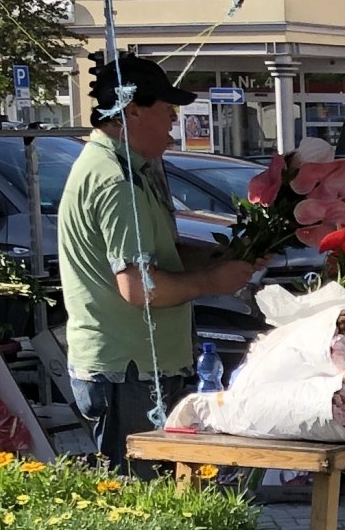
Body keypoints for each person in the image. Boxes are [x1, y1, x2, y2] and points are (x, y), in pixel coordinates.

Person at [58, 54, 261, 473]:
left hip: (143, 366)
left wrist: (228, 256)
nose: (173, 117)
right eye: (165, 108)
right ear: (131, 110)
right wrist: (211, 280)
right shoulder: (114, 180)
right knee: (139, 500)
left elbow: (159, 253)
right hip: (126, 371)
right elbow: (138, 286)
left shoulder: (134, 170)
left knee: (158, 496)